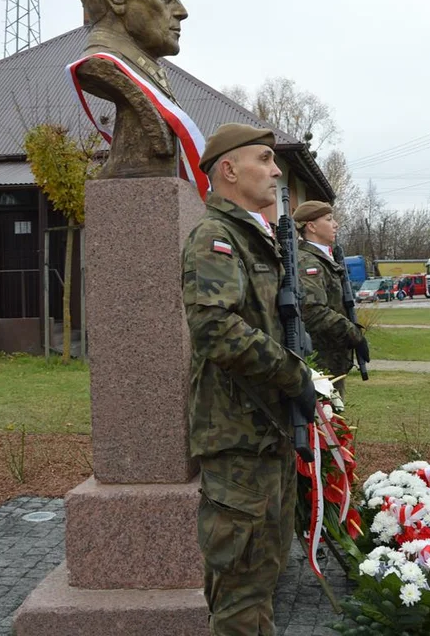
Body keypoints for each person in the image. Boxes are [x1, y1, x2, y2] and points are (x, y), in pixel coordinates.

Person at [182, 123, 317, 635]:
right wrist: (291, 374)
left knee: (261, 581)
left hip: (264, 436)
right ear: (229, 170)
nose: (277, 170)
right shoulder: (215, 237)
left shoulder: (253, 237)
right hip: (239, 443)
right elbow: (214, 329)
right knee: (240, 593)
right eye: (264, 159)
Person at [292, 200, 371, 398]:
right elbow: (312, 311)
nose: (335, 224)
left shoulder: (325, 258)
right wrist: (354, 333)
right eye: (328, 219)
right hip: (320, 359)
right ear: (311, 226)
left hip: (331, 357)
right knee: (326, 419)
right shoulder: (307, 261)